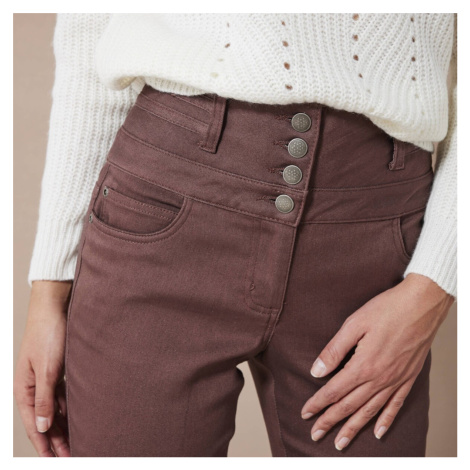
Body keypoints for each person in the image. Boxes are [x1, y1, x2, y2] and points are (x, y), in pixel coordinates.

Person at [14, 13, 457, 457]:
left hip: (369, 237)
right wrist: (49, 291)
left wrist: (433, 288)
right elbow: (89, 46)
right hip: (165, 213)